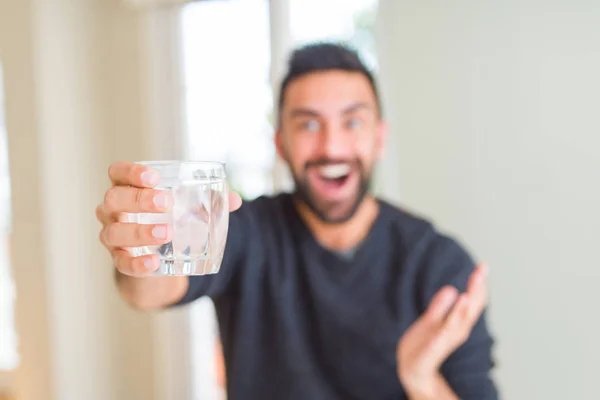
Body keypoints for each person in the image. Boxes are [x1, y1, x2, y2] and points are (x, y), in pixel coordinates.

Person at [96, 42, 498, 399]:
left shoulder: (439, 264)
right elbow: (148, 292)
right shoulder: (247, 231)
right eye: (308, 124)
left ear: (379, 137)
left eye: (352, 121)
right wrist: (139, 250)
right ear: (281, 145)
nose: (332, 146)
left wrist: (421, 378)